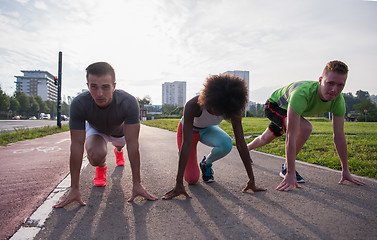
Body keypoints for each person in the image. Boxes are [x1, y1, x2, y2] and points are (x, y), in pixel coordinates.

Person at [247, 60, 365, 191]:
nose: (334, 90)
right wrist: (291, 173)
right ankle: (287, 168)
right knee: (305, 128)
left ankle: (245, 150)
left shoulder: (338, 101)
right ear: (320, 80)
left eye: (340, 85)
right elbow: (291, 136)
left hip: (291, 109)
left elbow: (339, 136)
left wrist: (346, 170)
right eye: (330, 83)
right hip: (275, 105)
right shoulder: (302, 94)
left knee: (267, 138)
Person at [53, 62, 157, 208]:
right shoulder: (79, 103)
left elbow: (133, 144)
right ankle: (101, 167)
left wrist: (137, 183)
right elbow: (76, 145)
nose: (99, 94)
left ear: (114, 86)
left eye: (105, 87)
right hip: (97, 130)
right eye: (94, 87)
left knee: (121, 145)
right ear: (88, 85)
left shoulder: (129, 102)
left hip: (119, 132)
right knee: (95, 156)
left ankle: (118, 151)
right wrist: (74, 188)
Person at [163, 74, 266, 199]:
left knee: (227, 144)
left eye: (222, 111)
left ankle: (206, 163)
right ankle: (184, 162)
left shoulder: (232, 107)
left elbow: (240, 143)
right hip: (190, 131)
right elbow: (187, 144)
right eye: (214, 109)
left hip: (208, 129)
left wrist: (252, 180)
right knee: (192, 179)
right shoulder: (193, 105)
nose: (217, 113)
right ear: (208, 100)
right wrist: (178, 184)